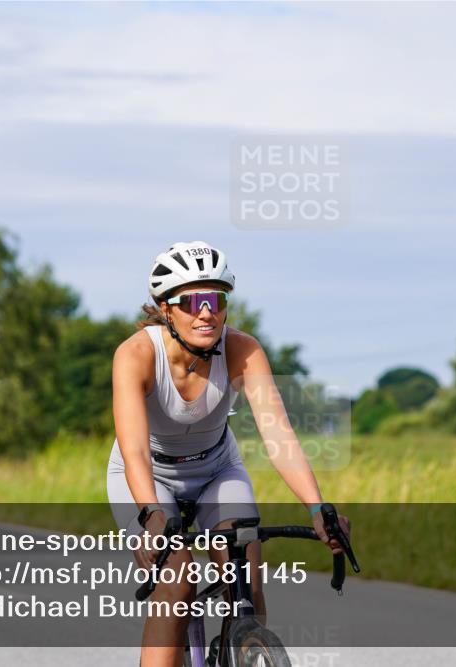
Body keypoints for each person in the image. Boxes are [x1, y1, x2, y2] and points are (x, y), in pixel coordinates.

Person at [106, 241, 351, 667]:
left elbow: (279, 436)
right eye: (193, 302)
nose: (207, 313)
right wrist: (151, 517)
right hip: (150, 477)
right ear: (166, 309)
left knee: (246, 586)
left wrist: (317, 508)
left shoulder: (243, 349)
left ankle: (243, 650)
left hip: (217, 470)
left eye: (217, 300)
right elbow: (135, 452)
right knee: (177, 586)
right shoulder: (136, 355)